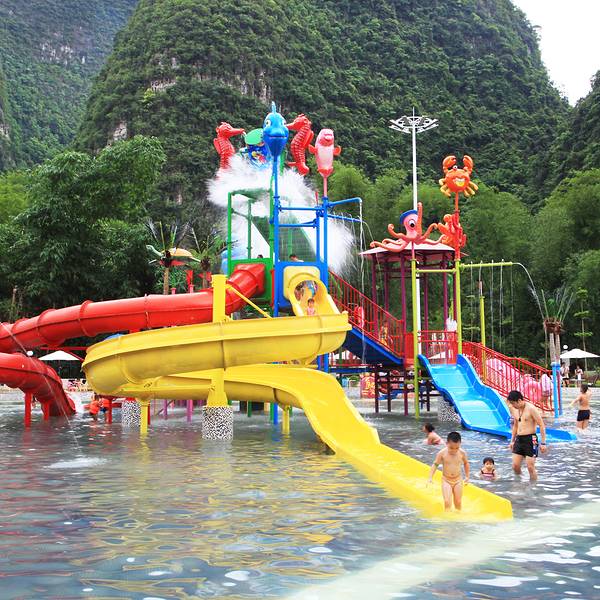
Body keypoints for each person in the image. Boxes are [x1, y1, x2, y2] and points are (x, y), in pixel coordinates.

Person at [507, 389, 547, 480]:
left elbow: (541, 425)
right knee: (515, 466)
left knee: (530, 467)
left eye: (513, 403)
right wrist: (512, 441)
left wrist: (543, 443)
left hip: (531, 439)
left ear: (519, 400)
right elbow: (515, 426)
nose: (512, 405)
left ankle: (533, 486)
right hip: (519, 439)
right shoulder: (515, 409)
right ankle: (520, 482)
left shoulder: (531, 409)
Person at [427, 431, 470, 511]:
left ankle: (458, 515)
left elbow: (466, 463)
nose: (454, 450)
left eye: (457, 448)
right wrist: (430, 477)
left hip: (458, 480)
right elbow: (435, 464)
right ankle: (447, 516)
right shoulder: (442, 453)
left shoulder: (462, 453)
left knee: (458, 502)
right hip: (446, 480)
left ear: (460, 444)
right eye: (451, 448)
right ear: (447, 443)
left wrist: (467, 476)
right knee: (447, 501)